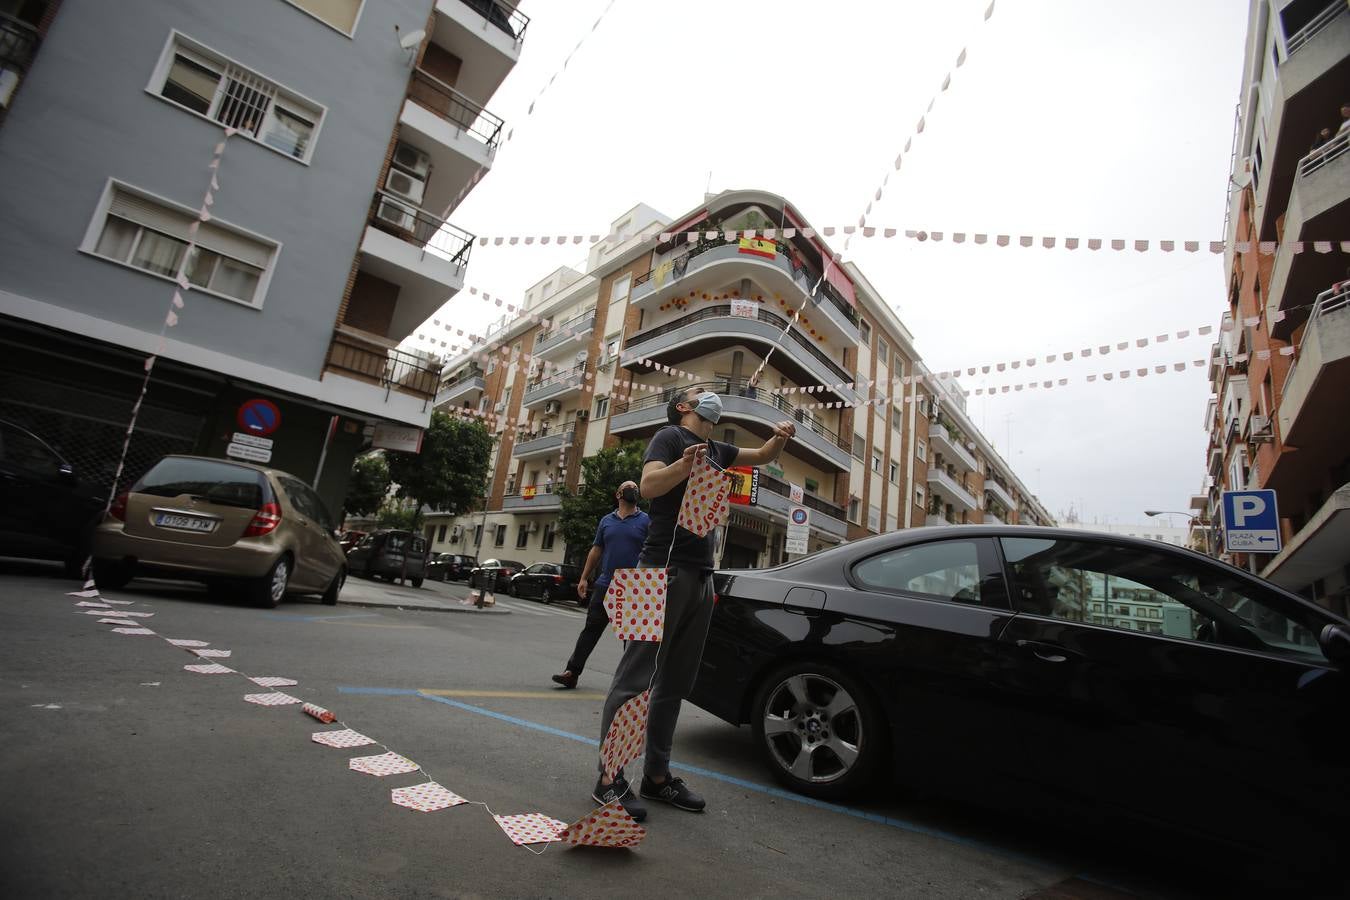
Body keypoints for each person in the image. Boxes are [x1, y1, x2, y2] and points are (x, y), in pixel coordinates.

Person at [588, 386, 795, 821]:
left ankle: (657, 777)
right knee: (635, 680)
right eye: (701, 393)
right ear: (683, 407)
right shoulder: (669, 437)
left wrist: (780, 437)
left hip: (700, 576)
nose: (712, 398)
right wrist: (683, 466)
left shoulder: (718, 447)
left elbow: (761, 457)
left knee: (675, 684)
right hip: (657, 570)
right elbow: (647, 486)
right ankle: (608, 779)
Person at [551, 480, 649, 690]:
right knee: (590, 631)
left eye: (635, 487)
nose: (633, 489)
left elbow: (652, 552)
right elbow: (596, 550)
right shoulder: (606, 521)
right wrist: (584, 578)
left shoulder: (646, 521)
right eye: (628, 487)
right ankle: (572, 672)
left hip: (633, 587)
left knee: (630, 638)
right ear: (618, 494)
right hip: (605, 584)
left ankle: (630, 683)